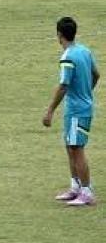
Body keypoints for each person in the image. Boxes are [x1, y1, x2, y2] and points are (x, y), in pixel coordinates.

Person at [43, 17, 99, 206]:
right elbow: (96, 74)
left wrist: (49, 110)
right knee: (70, 147)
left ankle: (87, 191)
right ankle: (75, 186)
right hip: (77, 108)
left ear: (59, 35)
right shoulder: (84, 50)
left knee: (77, 149)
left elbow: (63, 86)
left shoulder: (67, 57)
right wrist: (87, 91)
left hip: (77, 110)